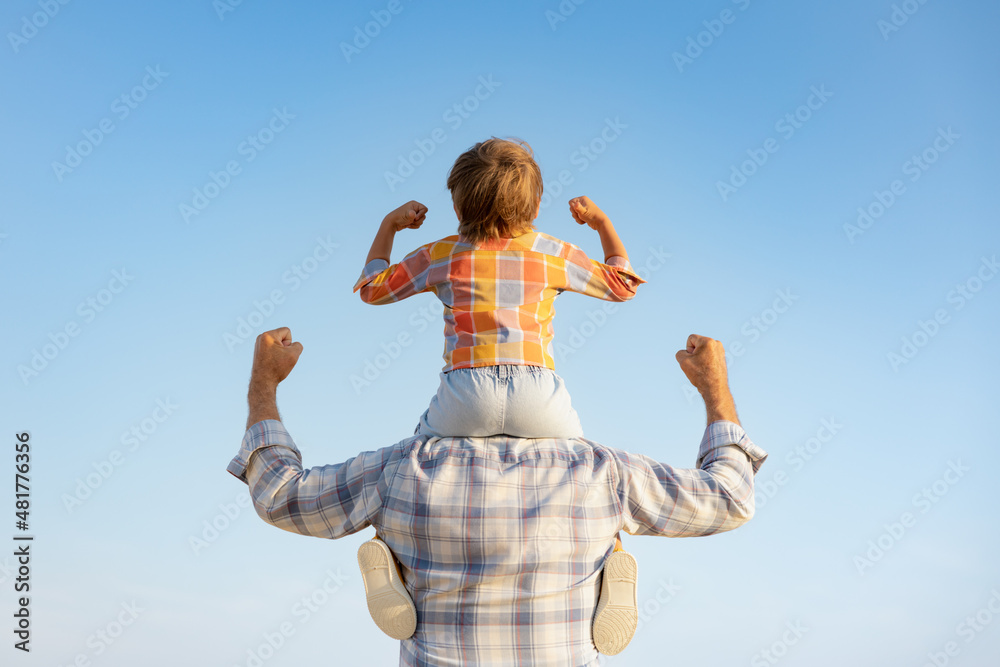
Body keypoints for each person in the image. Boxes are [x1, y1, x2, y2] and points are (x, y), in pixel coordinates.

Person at [227, 327, 767, 666]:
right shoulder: (603, 472)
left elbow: (280, 496)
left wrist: (264, 386)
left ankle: (394, 564)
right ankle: (609, 567)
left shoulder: (401, 469)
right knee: (604, 543)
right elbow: (729, 498)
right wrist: (714, 391)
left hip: (422, 504)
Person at [351, 137, 646, 652]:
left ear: (459, 202)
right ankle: (610, 560)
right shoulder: (552, 251)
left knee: (411, 463)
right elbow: (623, 285)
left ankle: (392, 557)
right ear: (533, 204)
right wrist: (600, 224)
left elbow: (372, 288)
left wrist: (389, 226)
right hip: (539, 392)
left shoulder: (441, 254)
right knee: (589, 471)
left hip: (465, 393)